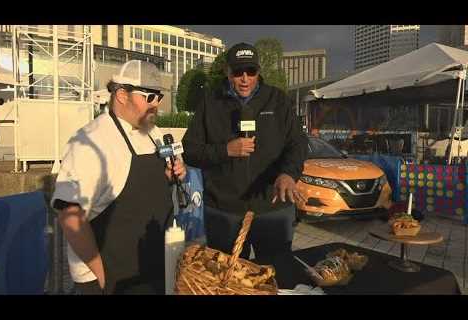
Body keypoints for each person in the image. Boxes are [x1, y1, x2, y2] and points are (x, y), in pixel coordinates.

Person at [51, 60, 186, 295]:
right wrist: (100, 276)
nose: (156, 105)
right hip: (114, 278)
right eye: (149, 97)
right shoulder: (91, 142)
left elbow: (146, 185)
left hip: (153, 269)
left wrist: (169, 174)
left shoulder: (153, 133)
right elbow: (70, 216)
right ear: (122, 95)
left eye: (159, 97)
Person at [182, 43, 306, 263]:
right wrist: (225, 150)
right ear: (227, 71)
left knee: (277, 271)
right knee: (227, 278)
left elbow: (297, 143)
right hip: (224, 211)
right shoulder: (210, 102)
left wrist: (289, 173)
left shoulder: (277, 100)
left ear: (258, 72)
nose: (245, 78)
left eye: (251, 71)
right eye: (238, 72)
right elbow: (190, 151)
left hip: (273, 209)